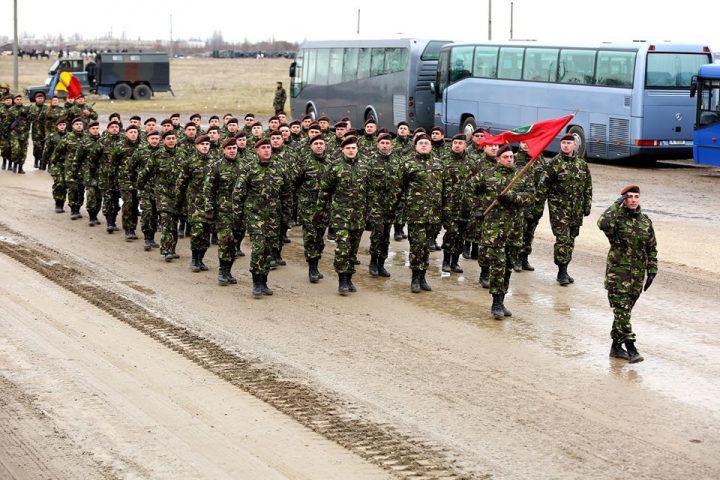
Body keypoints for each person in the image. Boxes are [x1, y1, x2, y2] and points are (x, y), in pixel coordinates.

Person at [473, 144, 535, 319]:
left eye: (511, 157)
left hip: (514, 230)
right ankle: (496, 303)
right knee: (498, 265)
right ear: (498, 159)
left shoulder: (521, 176)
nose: (509, 160)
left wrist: (511, 197)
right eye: (506, 157)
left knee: (508, 265)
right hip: (493, 230)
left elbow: (531, 198)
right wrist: (477, 209)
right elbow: (469, 190)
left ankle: (501, 299)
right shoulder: (487, 175)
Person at [597, 185, 657, 363]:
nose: (633, 200)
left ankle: (616, 347)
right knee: (622, 312)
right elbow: (603, 223)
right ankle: (631, 348)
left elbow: (651, 247)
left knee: (624, 313)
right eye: (629, 197)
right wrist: (615, 205)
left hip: (637, 277)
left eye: (636, 196)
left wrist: (652, 269)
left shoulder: (645, 221)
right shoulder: (616, 219)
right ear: (623, 199)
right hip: (618, 275)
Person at [233, 138, 291, 296]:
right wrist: (238, 217)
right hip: (255, 215)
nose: (267, 150)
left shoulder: (279, 168)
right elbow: (238, 195)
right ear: (257, 150)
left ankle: (264, 281)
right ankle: (256, 282)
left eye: (268, 147)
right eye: (263, 148)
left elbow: (287, 194)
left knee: (269, 249)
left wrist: (287, 215)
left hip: (273, 216)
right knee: (259, 247)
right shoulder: (249, 168)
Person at [317, 136, 369, 294]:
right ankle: (342, 280)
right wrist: (320, 211)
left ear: (357, 149)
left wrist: (370, 212)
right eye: (348, 148)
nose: (351, 150)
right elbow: (325, 191)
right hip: (340, 216)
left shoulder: (364, 166)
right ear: (342, 150)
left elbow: (370, 191)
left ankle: (349, 276)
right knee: (342, 248)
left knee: (353, 249)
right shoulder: (335, 167)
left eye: (353, 148)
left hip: (358, 215)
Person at [394, 134, 445, 293]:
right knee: (417, 245)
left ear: (431, 146)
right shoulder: (408, 164)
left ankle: (423, 277)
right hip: (416, 213)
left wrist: (445, 210)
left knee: (426, 247)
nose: (424, 145)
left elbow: (445, 189)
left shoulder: (438, 163)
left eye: (426, 143)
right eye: (420, 143)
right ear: (415, 146)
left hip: (434, 213)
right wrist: (395, 209)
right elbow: (398, 188)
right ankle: (415, 278)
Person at [545, 133, 593, 285]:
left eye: (568, 143)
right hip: (559, 210)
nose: (565, 145)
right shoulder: (553, 164)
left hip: (576, 210)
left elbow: (588, 187)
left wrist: (587, 205)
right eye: (563, 142)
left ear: (574, 146)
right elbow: (542, 187)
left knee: (571, 240)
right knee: (563, 239)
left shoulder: (582, 164)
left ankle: (566, 268)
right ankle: (561, 271)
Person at [136, 130, 185, 261]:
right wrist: (140, 186)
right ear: (163, 141)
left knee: (174, 221)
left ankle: (172, 248)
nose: (171, 140)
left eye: (173, 138)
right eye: (168, 138)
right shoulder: (157, 156)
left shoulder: (183, 155)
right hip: (162, 194)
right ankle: (166, 249)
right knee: (166, 221)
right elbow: (146, 173)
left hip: (178, 195)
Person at [203, 138, 245, 284]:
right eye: (229, 148)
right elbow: (208, 190)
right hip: (223, 211)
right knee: (225, 240)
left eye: (234, 148)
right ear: (224, 150)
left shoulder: (244, 166)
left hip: (240, 211)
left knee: (235, 240)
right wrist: (209, 209)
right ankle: (222, 270)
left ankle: (228, 269)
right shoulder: (216, 166)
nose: (232, 150)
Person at [295, 134, 331, 283]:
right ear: (310, 146)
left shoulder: (330, 163)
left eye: (321, 143)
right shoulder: (304, 163)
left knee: (319, 239)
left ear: (325, 146)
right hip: (308, 208)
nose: (318, 146)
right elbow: (295, 182)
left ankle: (316, 263)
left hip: (324, 208)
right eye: (315, 143)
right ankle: (312, 268)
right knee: (310, 238)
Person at [176, 135, 214, 273]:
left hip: (210, 204)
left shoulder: (214, 162)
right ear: (196, 146)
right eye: (202, 144)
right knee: (197, 231)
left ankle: (200, 259)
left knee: (206, 234)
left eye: (207, 144)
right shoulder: (189, 163)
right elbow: (181, 184)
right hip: (195, 204)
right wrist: (179, 202)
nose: (205, 146)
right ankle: (194, 259)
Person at [366, 132, 398, 277]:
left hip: (390, 205)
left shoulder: (396, 161)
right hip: (375, 204)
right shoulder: (371, 161)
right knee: (377, 234)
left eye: (387, 143)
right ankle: (373, 262)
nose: (385, 146)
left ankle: (381, 264)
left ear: (391, 145)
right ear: (377, 144)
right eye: (382, 143)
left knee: (386, 235)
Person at [441, 134, 473, 274]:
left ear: (465, 145)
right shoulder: (444, 161)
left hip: (465, 207)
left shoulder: (471, 163)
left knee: (461, 235)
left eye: (460, 143)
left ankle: (455, 261)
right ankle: (446, 261)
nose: (457, 145)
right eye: (455, 142)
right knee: (451, 233)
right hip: (450, 205)